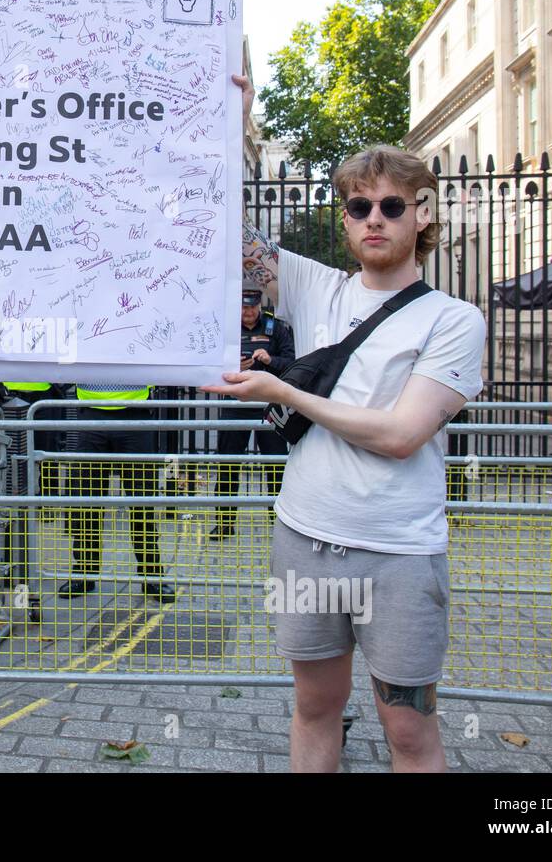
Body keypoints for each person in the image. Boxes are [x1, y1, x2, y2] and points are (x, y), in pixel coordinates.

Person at [208, 77, 486, 773]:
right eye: (359, 205)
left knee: (409, 731)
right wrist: (231, 126)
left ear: (423, 214)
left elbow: (399, 434)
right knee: (312, 709)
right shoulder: (317, 287)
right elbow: (217, 225)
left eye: (393, 205)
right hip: (303, 539)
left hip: (397, 555)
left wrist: (284, 392)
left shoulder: (453, 320)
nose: (374, 218)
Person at [59, 383, 173, 603]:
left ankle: (152, 575)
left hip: (135, 413)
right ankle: (83, 572)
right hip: (91, 413)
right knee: (86, 502)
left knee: (142, 503)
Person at [211, 281, 295, 540]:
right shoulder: (225, 329)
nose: (248, 313)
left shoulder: (276, 328)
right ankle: (224, 523)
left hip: (269, 404)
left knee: (275, 464)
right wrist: (233, 365)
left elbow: (293, 363)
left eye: (252, 307)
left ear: (259, 304)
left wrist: (270, 361)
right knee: (227, 464)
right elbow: (210, 362)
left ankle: (278, 520)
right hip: (236, 404)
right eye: (244, 308)